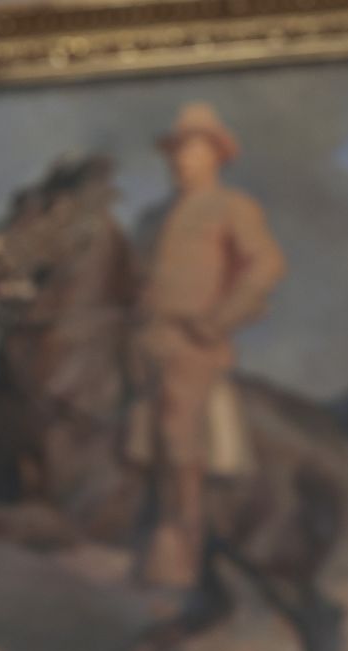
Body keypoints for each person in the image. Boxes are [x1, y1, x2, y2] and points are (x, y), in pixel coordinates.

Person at [126, 102, 287, 588]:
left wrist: (219, 320)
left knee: (178, 423)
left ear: (216, 156)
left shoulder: (232, 207)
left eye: (193, 152)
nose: (181, 161)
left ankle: (183, 540)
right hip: (141, 338)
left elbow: (266, 266)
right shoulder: (152, 217)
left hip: (193, 344)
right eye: (176, 152)